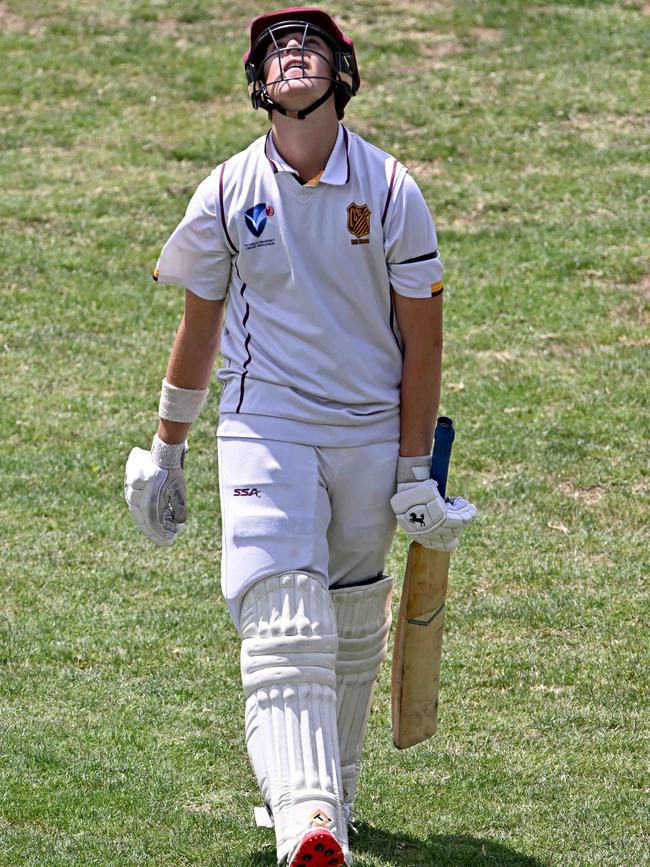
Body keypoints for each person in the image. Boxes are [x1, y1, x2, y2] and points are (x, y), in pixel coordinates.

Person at [124, 8, 476, 866]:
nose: (293, 56)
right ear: (259, 86)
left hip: (369, 429)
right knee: (286, 616)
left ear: (343, 78)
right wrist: (166, 447)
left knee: (353, 618)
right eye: (278, 49)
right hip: (266, 423)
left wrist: (412, 470)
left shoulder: (392, 189)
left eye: (311, 45)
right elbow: (199, 325)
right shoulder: (226, 190)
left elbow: (422, 338)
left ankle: (336, 800)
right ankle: (308, 819)